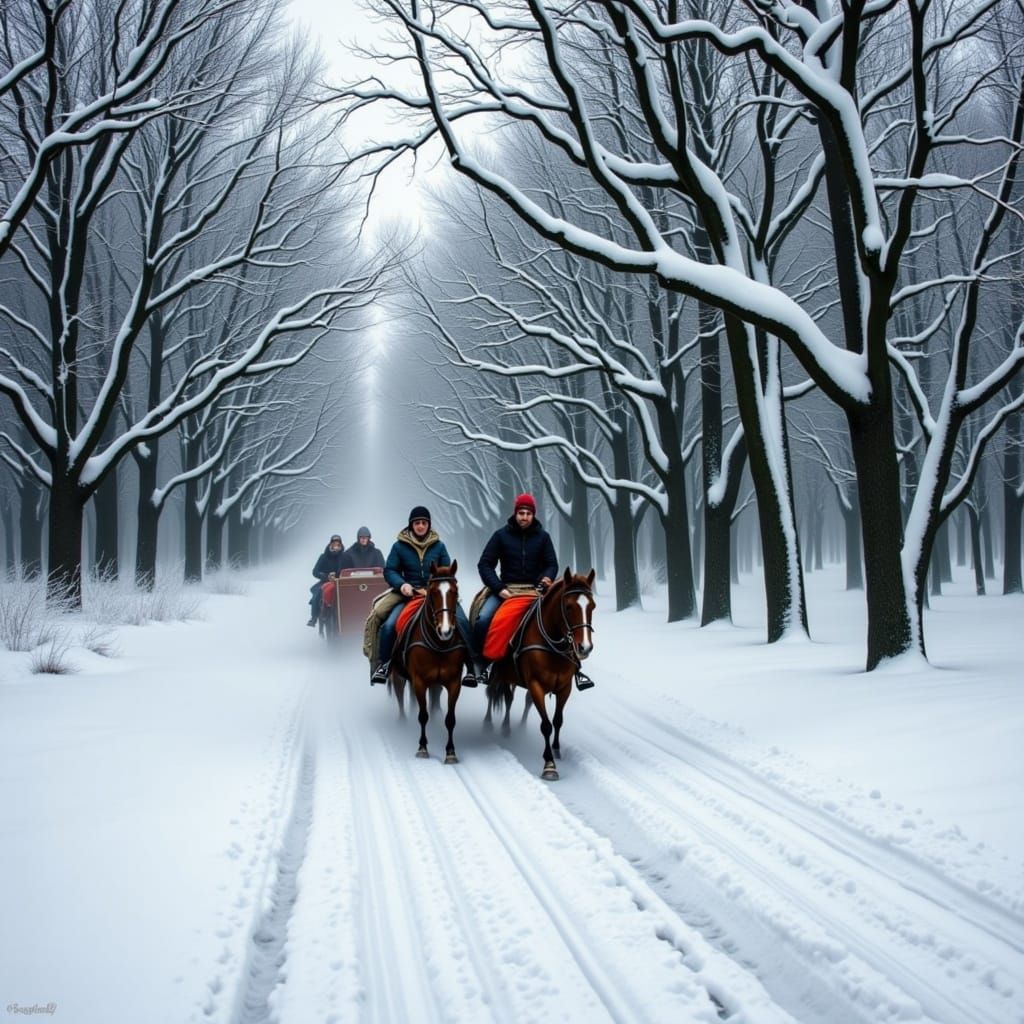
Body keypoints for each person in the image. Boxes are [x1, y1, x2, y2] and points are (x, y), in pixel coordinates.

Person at [475, 493, 594, 690]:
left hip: (535, 590)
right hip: (507, 591)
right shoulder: (500, 536)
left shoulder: (543, 537)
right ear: (515, 513)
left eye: (528, 513)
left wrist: (545, 578)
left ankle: (576, 668)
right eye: (521, 513)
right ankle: (485, 666)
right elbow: (485, 564)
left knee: (564, 620)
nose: (524, 517)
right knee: (483, 620)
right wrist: (499, 588)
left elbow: (551, 564)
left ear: (533, 515)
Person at [368, 506, 481, 686]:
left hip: (436, 594)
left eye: (424, 522)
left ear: (428, 524)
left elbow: (447, 571)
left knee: (462, 622)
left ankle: (472, 666)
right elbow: (390, 570)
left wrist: (437, 586)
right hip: (407, 594)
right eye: (417, 523)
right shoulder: (399, 546)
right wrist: (403, 584)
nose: (420, 526)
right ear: (411, 525)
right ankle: (384, 664)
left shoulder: (439, 546)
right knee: (388, 624)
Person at [307, 534, 345, 626]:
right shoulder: (323, 557)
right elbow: (315, 571)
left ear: (340, 545)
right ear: (330, 544)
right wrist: (326, 576)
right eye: (334, 544)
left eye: (338, 544)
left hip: (341, 582)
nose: (336, 546)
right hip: (325, 581)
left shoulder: (345, 556)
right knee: (318, 593)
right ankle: (314, 617)